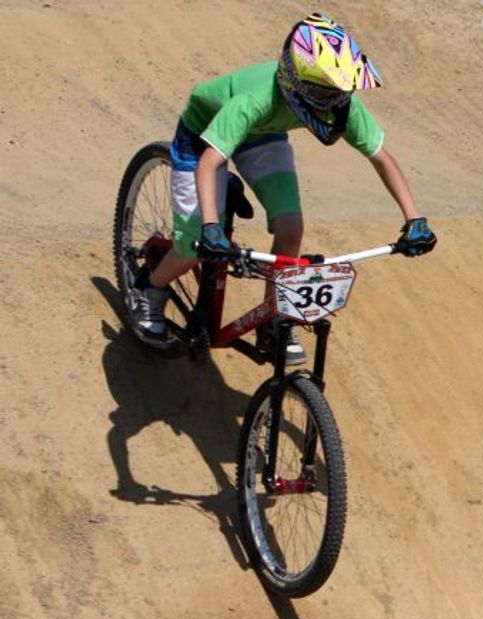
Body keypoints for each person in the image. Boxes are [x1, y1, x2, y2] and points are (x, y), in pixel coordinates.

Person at [129, 12, 437, 365]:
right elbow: (209, 163)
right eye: (323, 92)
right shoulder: (253, 100)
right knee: (195, 244)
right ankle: (149, 287)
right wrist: (211, 228)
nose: (332, 100)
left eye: (338, 91)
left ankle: (274, 320)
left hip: (261, 134)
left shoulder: (339, 102)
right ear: (296, 83)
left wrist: (415, 219)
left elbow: (381, 157)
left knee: (291, 228)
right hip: (203, 138)